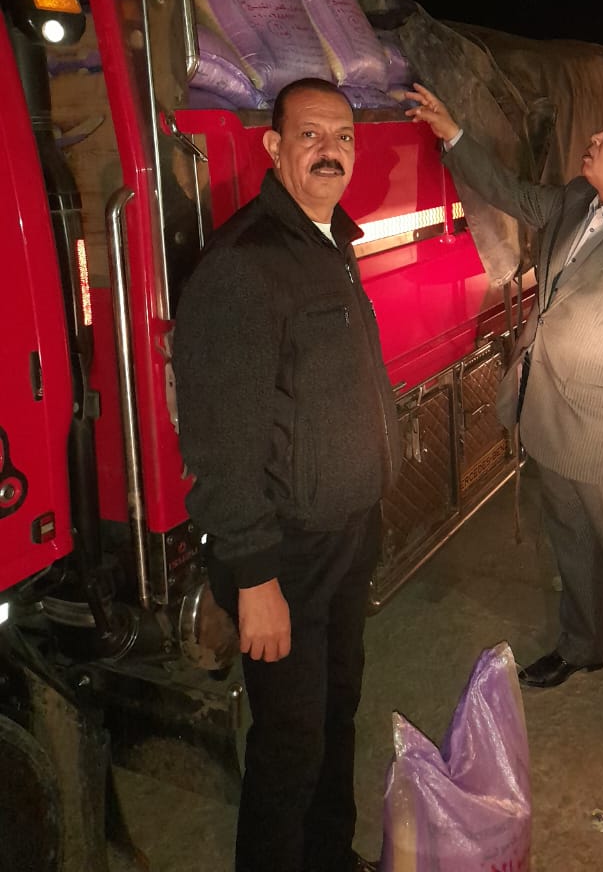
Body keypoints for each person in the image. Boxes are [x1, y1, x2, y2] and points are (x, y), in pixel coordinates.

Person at [407, 83, 603, 755]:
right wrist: (452, 134)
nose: (593, 140)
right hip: (549, 419)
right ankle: (581, 645)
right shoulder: (574, 200)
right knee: (571, 546)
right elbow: (510, 192)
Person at [173, 78, 401, 872]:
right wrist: (255, 577)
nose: (329, 150)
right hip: (289, 554)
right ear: (273, 147)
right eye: (310, 135)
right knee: (290, 743)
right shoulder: (245, 265)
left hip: (347, 535)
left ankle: (329, 856)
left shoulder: (331, 243)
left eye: (342, 136)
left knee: (338, 711)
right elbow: (219, 444)